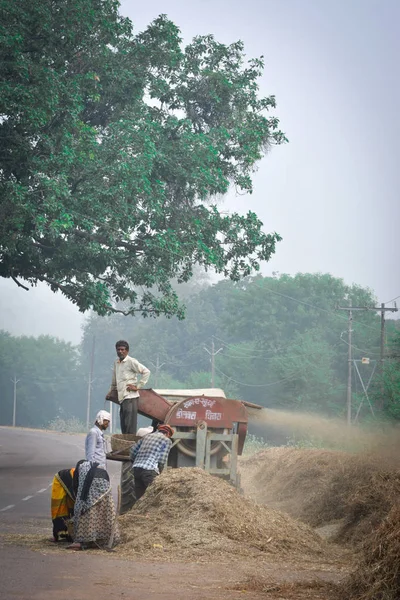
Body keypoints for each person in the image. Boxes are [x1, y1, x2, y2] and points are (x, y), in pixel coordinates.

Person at [67, 459, 119, 551]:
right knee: (105, 508)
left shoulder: (80, 469)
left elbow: (77, 487)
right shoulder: (96, 466)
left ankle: (81, 541)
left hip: (91, 481)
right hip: (104, 484)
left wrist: (79, 505)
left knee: (86, 510)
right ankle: (106, 539)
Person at [106, 340, 150, 434]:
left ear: (127, 351)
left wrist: (137, 386)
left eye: (122, 349)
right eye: (118, 350)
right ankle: (125, 445)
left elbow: (146, 372)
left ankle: (129, 446)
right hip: (122, 398)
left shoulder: (131, 361)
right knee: (124, 424)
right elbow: (114, 380)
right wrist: (111, 391)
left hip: (130, 397)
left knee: (130, 425)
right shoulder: (116, 363)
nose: (120, 351)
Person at [130, 424, 174, 501]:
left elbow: (133, 451)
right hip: (149, 470)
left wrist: (135, 461)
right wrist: (159, 474)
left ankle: (140, 513)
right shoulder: (166, 440)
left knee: (140, 499)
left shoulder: (146, 437)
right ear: (168, 434)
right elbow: (162, 459)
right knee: (153, 497)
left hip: (136, 469)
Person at [50, 467, 76, 542]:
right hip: (61, 481)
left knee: (75, 507)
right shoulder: (62, 477)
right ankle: (57, 534)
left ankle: (72, 533)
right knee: (59, 508)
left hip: (75, 483)